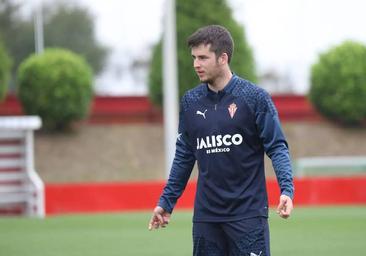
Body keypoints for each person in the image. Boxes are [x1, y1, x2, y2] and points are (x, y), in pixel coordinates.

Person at [148, 24, 294, 256]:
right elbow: (184, 156)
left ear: (223, 58)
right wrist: (167, 202)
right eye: (194, 57)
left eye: (203, 58)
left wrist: (286, 189)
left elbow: (277, 147)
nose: (196, 64)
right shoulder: (190, 102)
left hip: (248, 216)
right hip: (206, 218)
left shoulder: (255, 98)